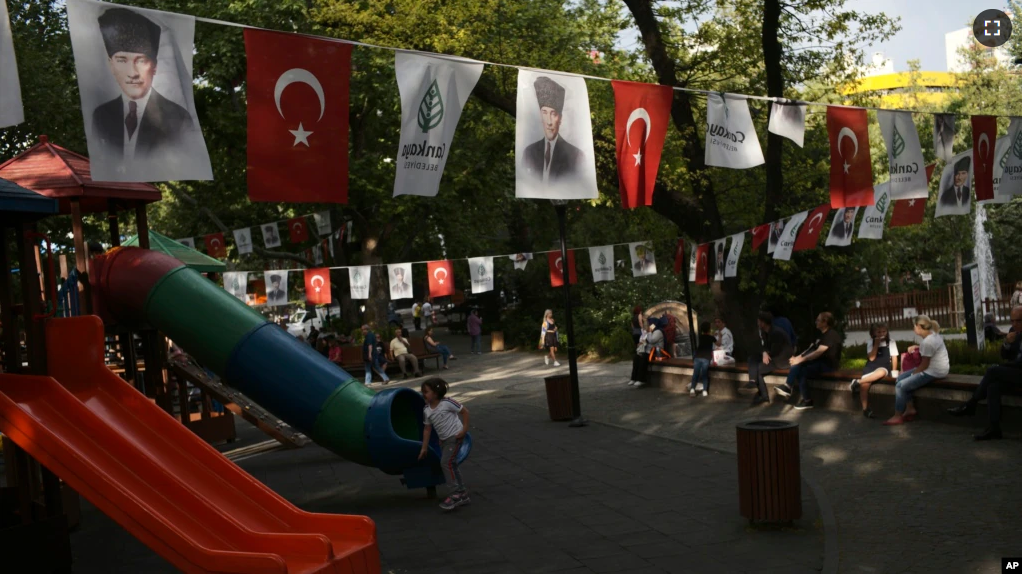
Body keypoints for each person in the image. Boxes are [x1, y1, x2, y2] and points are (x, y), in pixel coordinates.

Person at [91, 8, 197, 162]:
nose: (132, 73)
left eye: (141, 60)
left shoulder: (179, 119)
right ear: (111, 65)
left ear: (154, 66)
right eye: (121, 60)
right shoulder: (100, 116)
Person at [947, 306, 1022, 440]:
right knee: (993, 387)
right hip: (1016, 373)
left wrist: (1001, 366)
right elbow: (1004, 355)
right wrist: (1007, 343)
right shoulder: (1013, 332)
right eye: (1012, 321)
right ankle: (994, 429)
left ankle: (971, 404)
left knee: (993, 370)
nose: (1015, 324)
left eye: (1019, 321)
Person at [883, 315, 949, 426]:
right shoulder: (933, 336)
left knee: (900, 385)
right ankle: (910, 408)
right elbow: (929, 352)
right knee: (900, 378)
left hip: (934, 371)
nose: (913, 328)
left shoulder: (927, 342)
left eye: (914, 326)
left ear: (918, 326)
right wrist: (917, 347)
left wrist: (913, 374)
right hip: (936, 368)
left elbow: (924, 365)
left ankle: (897, 416)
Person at [418, 378, 470, 511]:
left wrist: (464, 430)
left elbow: (465, 412)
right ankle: (462, 493)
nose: (423, 394)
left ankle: (455, 494)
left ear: (435, 393)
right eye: (422, 392)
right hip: (444, 440)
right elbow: (427, 429)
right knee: (451, 464)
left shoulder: (447, 403)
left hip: (455, 437)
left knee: (445, 463)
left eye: (426, 392)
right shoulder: (426, 410)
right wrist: (424, 448)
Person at [775, 312, 841, 410]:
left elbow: (818, 352)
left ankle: (791, 388)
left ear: (825, 322)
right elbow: (810, 350)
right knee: (799, 368)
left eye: (818, 320)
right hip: (818, 363)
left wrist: (801, 360)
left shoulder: (831, 335)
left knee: (800, 369)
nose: (816, 322)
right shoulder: (820, 336)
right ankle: (803, 398)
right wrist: (797, 358)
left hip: (828, 365)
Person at [523, 76, 583, 183]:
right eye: (544, 113)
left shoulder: (576, 156)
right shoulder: (529, 152)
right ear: (540, 116)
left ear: (560, 118)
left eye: (553, 114)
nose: (549, 122)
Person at [849, 323, 899, 418]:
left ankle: (857, 382)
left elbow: (894, 357)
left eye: (884, 331)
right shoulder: (870, 342)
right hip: (871, 366)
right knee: (865, 385)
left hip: (883, 366)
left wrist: (894, 371)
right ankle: (865, 409)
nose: (881, 334)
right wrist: (876, 345)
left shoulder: (891, 342)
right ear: (873, 333)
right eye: (878, 332)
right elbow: (871, 358)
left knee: (881, 373)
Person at [748, 311, 793, 405]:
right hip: (774, 357)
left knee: (759, 369)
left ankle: (764, 396)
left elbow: (775, 352)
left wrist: (765, 353)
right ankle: (752, 382)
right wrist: (764, 352)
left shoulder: (776, 333)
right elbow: (764, 347)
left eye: (758, 321)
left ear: (763, 323)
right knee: (752, 358)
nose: (757, 323)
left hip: (781, 361)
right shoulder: (765, 332)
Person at [630, 322, 665, 388]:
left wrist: (649, 332)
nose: (649, 326)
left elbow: (651, 340)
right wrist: (641, 342)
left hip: (657, 353)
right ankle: (634, 378)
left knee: (643, 357)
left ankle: (641, 379)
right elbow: (645, 341)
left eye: (650, 325)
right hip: (649, 352)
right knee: (636, 357)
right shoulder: (649, 332)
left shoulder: (658, 332)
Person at [689, 322, 714, 397]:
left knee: (695, 373)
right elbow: (719, 344)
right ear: (709, 329)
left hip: (698, 357)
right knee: (704, 374)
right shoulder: (711, 337)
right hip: (706, 358)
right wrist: (719, 336)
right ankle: (705, 391)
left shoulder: (701, 337)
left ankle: (692, 389)